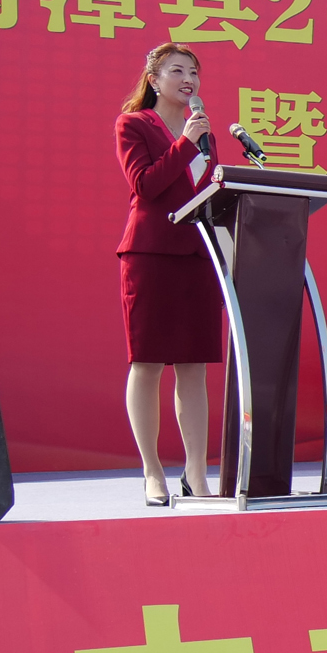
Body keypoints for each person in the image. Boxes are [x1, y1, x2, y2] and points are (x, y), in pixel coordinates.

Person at [116, 42, 220, 506]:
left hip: (198, 255)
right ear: (153, 80)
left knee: (194, 365)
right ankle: (152, 472)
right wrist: (185, 143)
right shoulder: (134, 124)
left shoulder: (204, 132)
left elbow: (210, 191)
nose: (188, 79)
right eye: (177, 70)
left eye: (193, 72)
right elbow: (146, 184)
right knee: (148, 362)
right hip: (151, 254)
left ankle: (196, 472)